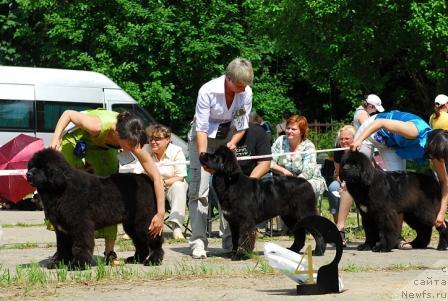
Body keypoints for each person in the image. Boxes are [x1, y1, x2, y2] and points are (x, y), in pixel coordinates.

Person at [50, 109, 165, 265]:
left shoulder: (132, 138)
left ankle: (109, 251)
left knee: (110, 199)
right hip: (77, 142)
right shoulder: (96, 125)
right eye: (129, 145)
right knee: (70, 200)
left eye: (134, 145)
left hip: (104, 149)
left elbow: (156, 177)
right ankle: (64, 252)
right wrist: (56, 138)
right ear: (118, 135)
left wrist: (160, 213)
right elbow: (68, 114)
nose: (132, 149)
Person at [338, 110, 448, 249]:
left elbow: (445, 183)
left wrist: (441, 214)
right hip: (372, 131)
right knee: (354, 177)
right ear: (432, 146)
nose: (435, 159)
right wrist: (359, 140)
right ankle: (340, 228)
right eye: (434, 155)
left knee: (395, 191)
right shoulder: (413, 131)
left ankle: (393, 237)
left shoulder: (435, 152)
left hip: (392, 144)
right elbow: (381, 123)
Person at [188, 57, 254, 259]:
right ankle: (198, 242)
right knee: (200, 190)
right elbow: (200, 128)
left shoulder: (246, 92)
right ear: (228, 79)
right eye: (240, 86)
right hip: (202, 138)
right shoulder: (207, 90)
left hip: (227, 138)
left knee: (231, 190)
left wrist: (232, 143)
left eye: (245, 86)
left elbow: (242, 125)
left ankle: (230, 241)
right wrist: (202, 157)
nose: (243, 90)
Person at [144, 124, 188, 240]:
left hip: (170, 186)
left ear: (168, 140)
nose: (153, 142)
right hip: (150, 186)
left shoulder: (177, 151)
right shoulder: (145, 150)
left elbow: (180, 176)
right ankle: (135, 228)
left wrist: (162, 183)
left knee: (179, 185)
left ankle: (177, 228)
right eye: (151, 139)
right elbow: (139, 172)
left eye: (157, 139)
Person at [271, 115, 326, 199]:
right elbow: (269, 162)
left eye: (293, 129)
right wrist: (283, 170)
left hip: (307, 180)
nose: (289, 131)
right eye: (288, 128)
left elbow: (307, 173)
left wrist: (292, 185)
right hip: (284, 180)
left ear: (301, 131)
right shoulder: (280, 140)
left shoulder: (308, 146)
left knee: (299, 190)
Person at [327, 125, 355, 224]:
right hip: (342, 180)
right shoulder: (338, 149)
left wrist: (348, 184)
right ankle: (338, 227)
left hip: (358, 182)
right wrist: (342, 182)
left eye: (347, 138)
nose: (343, 141)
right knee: (333, 188)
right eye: (341, 139)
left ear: (354, 139)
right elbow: (338, 173)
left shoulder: (361, 150)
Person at [353, 94, 385, 158]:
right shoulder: (363, 113)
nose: (376, 111)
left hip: (363, 146)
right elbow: (370, 130)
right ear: (370, 106)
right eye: (375, 108)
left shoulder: (360, 111)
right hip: (364, 146)